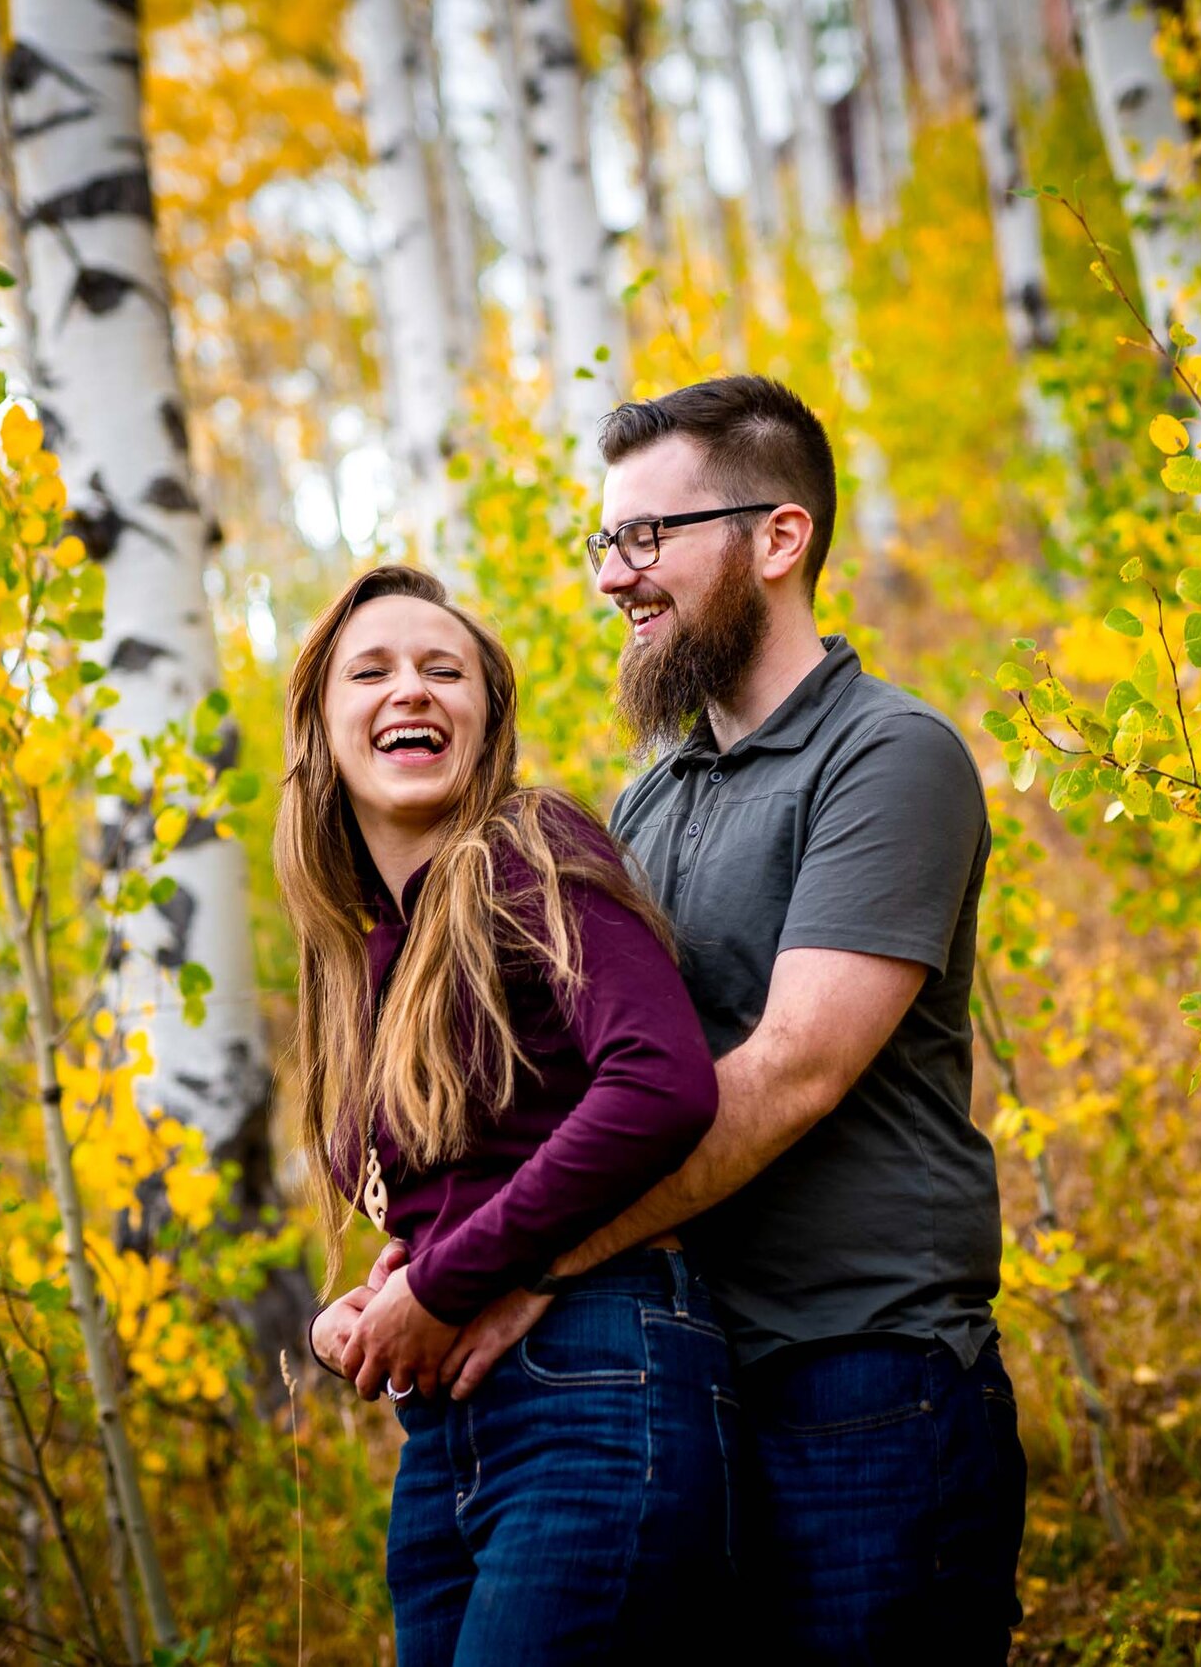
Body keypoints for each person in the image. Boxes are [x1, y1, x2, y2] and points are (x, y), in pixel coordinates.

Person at [439, 375, 1027, 1660]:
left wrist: (523, 1263)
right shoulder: (644, 802)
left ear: (778, 539)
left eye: (649, 538)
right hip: (678, 1393)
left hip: (863, 1386)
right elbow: (572, 1093)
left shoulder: (887, 757)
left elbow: (791, 1074)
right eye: (607, 541)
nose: (615, 578)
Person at [285, 566, 735, 1665]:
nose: (414, 691)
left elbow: (659, 1082)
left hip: (595, 1375)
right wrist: (368, 1304)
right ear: (321, 728)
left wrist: (443, 1281)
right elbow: (468, 1181)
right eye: (373, 670)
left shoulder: (530, 850)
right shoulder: (365, 952)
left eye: (446, 671)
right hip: (446, 1428)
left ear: (487, 720)